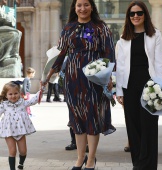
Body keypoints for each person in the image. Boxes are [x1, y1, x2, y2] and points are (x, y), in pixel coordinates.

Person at [41, 0, 116, 169]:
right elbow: (61, 54)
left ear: (92, 7)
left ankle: (91, 159)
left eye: (86, 5)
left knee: (92, 118)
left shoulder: (100, 27)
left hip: (94, 79)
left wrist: (109, 76)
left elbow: (109, 52)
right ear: (75, 8)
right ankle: (80, 158)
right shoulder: (68, 28)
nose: (82, 8)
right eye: (79, 5)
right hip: (72, 79)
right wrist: (49, 74)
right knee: (77, 119)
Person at [116, 1, 162, 170]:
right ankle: (138, 164)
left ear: (145, 15)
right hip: (129, 87)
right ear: (128, 17)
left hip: (150, 87)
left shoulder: (155, 34)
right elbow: (120, 67)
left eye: (139, 13)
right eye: (132, 13)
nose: (135, 16)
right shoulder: (123, 39)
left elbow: (159, 63)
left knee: (149, 126)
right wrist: (119, 91)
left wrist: (161, 89)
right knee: (133, 126)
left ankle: (147, 165)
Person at [0, 81, 42, 170]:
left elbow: (33, 101)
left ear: (20, 93)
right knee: (12, 151)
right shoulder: (4, 105)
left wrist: (41, 90)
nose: (13, 96)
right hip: (9, 131)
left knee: (23, 151)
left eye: (16, 93)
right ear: (6, 95)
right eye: (10, 94)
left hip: (21, 131)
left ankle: (21, 163)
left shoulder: (22, 102)